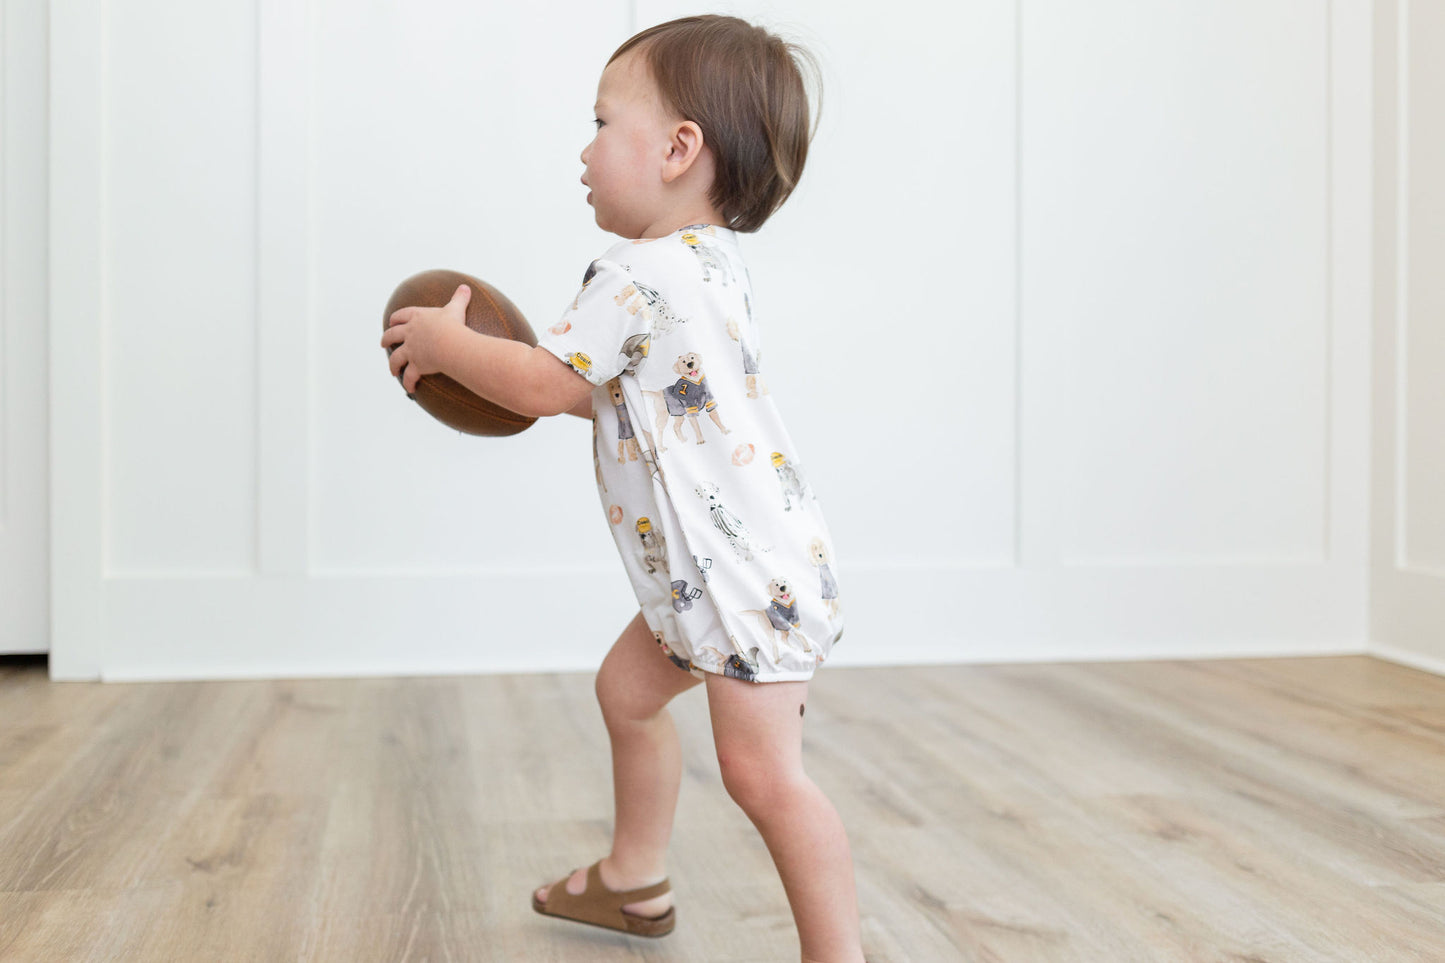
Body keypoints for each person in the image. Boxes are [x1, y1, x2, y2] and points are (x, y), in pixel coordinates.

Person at [380, 15, 864, 962]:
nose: (584, 149)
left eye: (602, 122)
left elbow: (543, 385)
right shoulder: (709, 265)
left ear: (679, 148)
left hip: (738, 583)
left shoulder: (639, 274)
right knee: (627, 692)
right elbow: (619, 401)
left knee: (765, 779)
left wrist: (446, 346)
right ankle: (633, 881)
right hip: (707, 575)